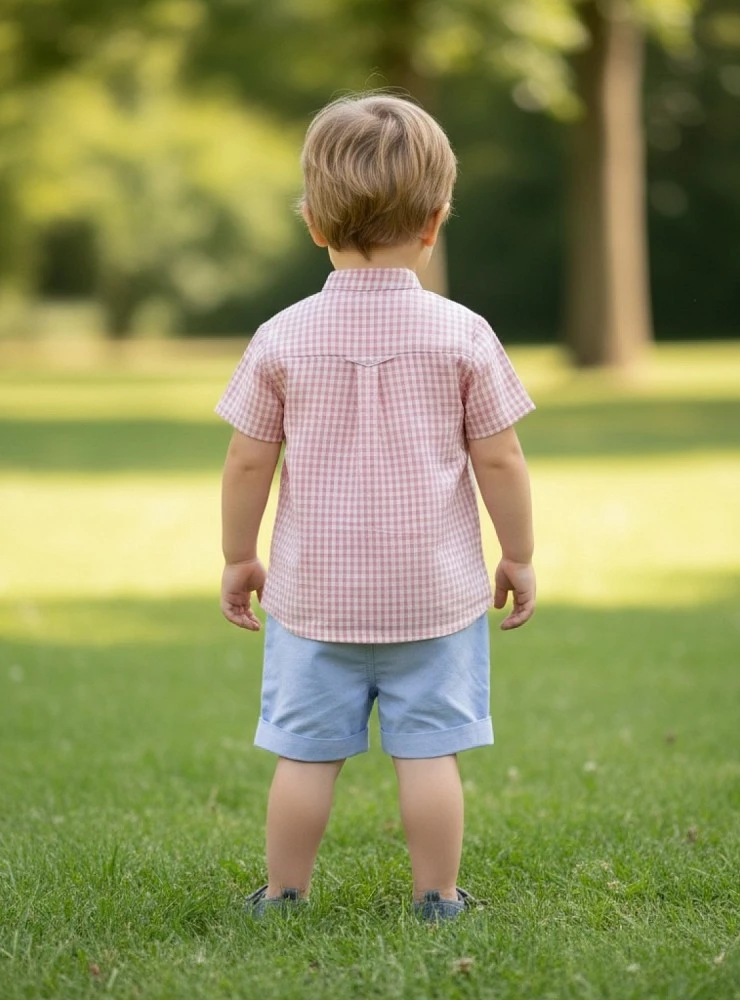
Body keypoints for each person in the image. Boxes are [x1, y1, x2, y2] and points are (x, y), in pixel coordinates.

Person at [216, 93, 536, 921]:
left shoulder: (281, 336)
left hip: (313, 599)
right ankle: (437, 897)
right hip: (434, 598)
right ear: (436, 222)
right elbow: (499, 455)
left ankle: (284, 894)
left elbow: (250, 457)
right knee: (430, 754)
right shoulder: (464, 333)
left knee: (304, 756)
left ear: (314, 222)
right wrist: (520, 554)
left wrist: (238, 556)